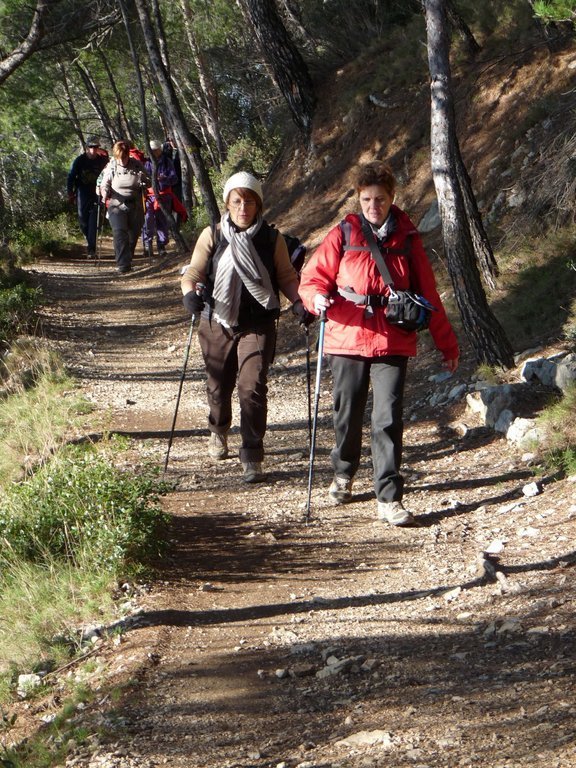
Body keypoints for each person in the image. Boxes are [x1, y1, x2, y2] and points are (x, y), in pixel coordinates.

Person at [298, 160, 459, 526]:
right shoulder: (344, 233)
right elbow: (312, 278)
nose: (374, 206)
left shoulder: (408, 237)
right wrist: (316, 299)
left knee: (387, 419)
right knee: (348, 413)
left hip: (392, 338)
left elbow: (429, 294)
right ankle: (343, 472)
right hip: (346, 336)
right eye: (368, 199)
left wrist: (447, 345)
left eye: (381, 199)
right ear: (359, 198)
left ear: (392, 198)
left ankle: (389, 497)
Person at [180, 170, 312, 483]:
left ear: (258, 205)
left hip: (259, 321)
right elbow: (193, 273)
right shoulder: (212, 235)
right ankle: (218, 428)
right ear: (227, 204)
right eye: (237, 201)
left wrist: (298, 303)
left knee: (251, 387)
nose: (243, 207)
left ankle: (252, 454)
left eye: (249, 201)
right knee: (218, 385)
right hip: (216, 320)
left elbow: (286, 278)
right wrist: (189, 294)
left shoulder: (271, 239)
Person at [99, 140, 150, 274]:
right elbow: (104, 183)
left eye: (124, 157)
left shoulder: (137, 165)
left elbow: (149, 182)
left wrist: (144, 182)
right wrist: (104, 192)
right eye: (119, 158)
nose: (122, 160)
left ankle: (127, 257)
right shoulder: (112, 166)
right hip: (117, 204)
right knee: (120, 232)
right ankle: (123, 264)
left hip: (136, 205)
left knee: (133, 235)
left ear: (128, 154)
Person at [67, 136, 109, 258]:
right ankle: (89, 240)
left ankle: (91, 249)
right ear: (86, 148)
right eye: (91, 147)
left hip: (97, 194)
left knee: (93, 222)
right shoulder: (79, 161)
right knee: (83, 221)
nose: (93, 149)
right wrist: (70, 193)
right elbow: (71, 177)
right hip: (82, 193)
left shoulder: (102, 161)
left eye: (95, 147)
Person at [142, 139, 180, 257]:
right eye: (151, 150)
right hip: (149, 196)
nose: (153, 152)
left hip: (164, 196)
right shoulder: (147, 163)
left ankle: (161, 245)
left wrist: (163, 179)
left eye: (155, 149)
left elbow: (174, 179)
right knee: (148, 219)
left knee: (162, 221)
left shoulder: (167, 162)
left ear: (159, 150)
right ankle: (147, 246)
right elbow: (143, 177)